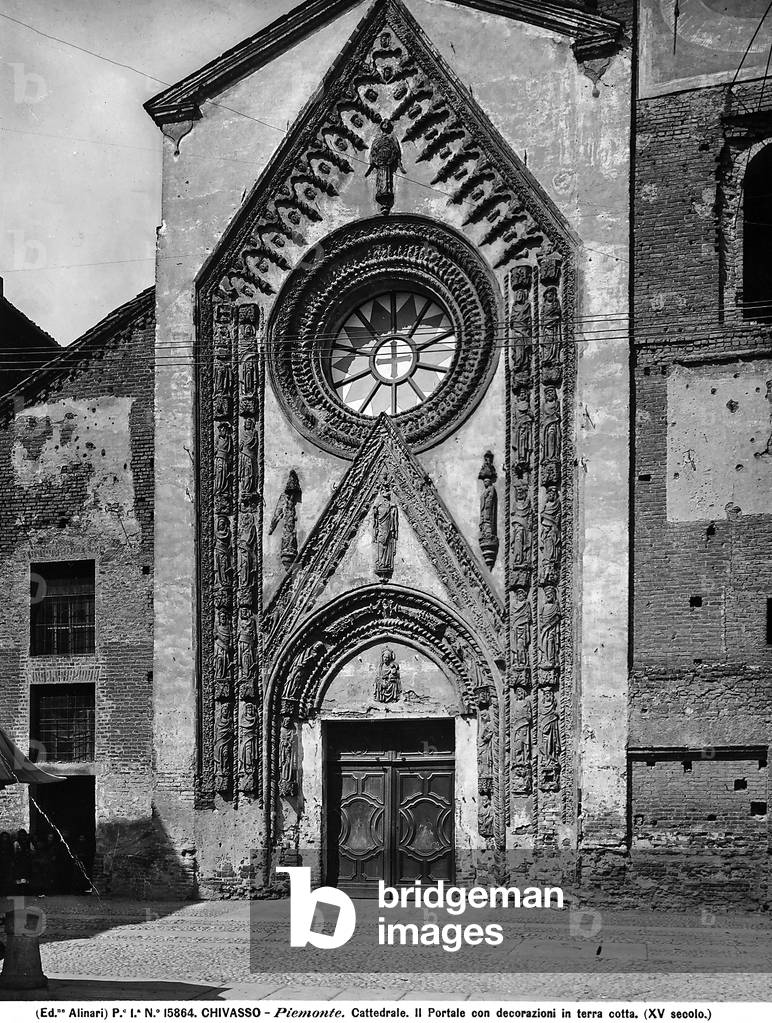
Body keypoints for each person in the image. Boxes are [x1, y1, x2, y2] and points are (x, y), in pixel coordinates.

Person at [0, 831, 15, 895]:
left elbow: (12, 854)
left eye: (6, 837)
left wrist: (12, 862)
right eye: (3, 837)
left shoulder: (10, 844)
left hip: (7, 863)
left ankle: (7, 891)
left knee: (7, 878)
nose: (5, 838)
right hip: (1, 863)